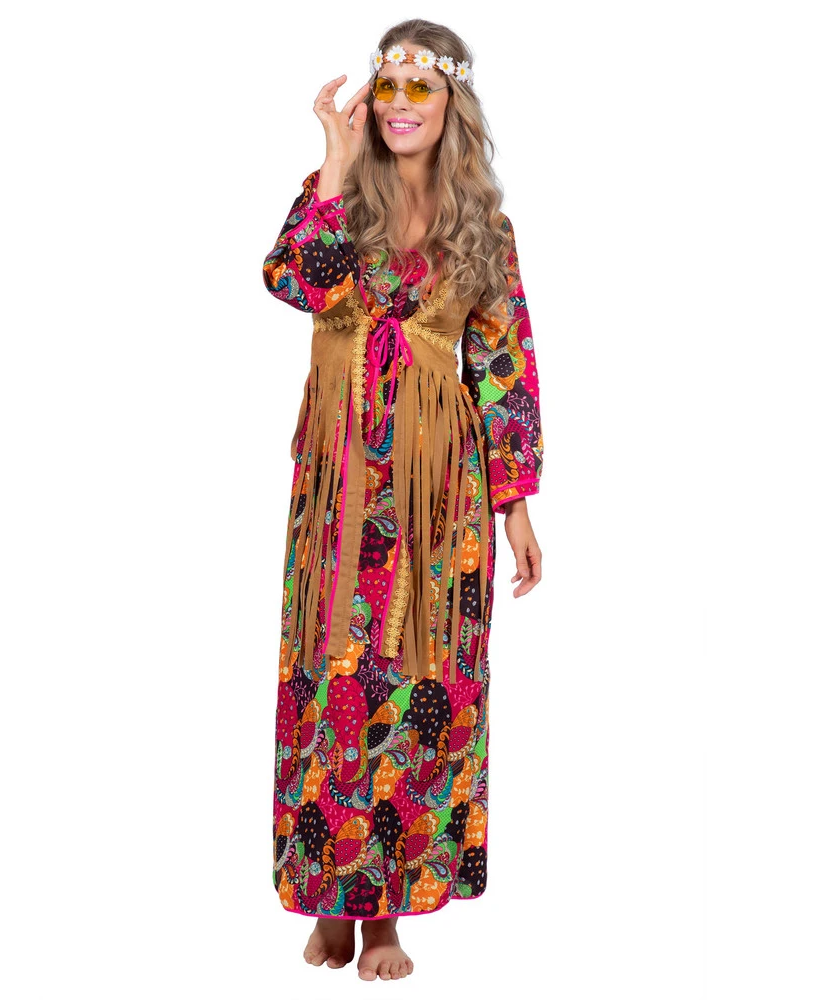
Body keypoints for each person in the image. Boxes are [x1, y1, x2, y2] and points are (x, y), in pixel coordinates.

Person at [262, 19, 545, 982]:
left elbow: (502, 364)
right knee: (331, 676)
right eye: (388, 86)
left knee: (414, 684)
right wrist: (335, 161)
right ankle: (329, 900)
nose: (399, 104)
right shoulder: (337, 195)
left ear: (451, 102)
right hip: (342, 476)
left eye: (420, 87)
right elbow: (291, 281)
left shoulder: (484, 225)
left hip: (438, 495)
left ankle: (382, 918)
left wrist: (515, 503)